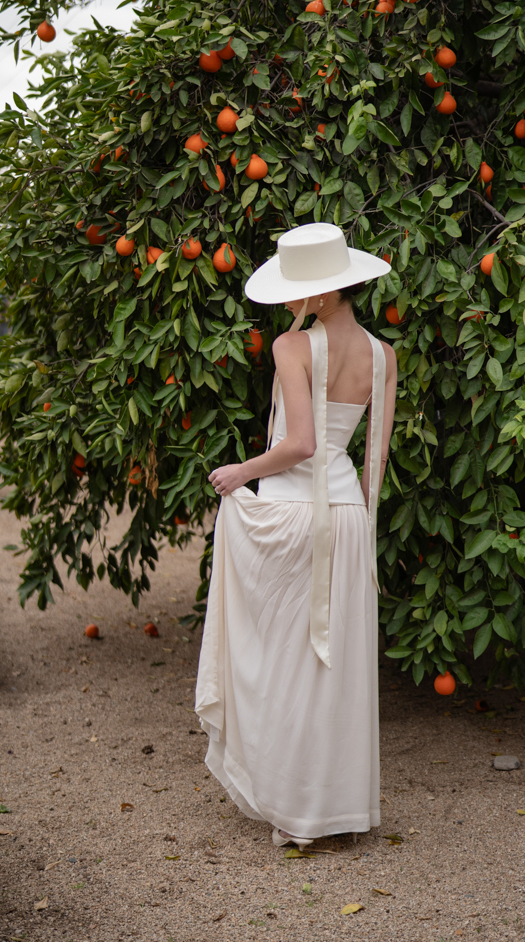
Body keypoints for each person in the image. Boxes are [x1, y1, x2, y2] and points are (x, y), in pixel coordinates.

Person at [195, 222, 397, 850]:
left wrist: (239, 474)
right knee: (334, 669)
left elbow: (302, 443)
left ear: (323, 293)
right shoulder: (383, 354)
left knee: (280, 662)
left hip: (294, 514)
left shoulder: (293, 346)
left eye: (293, 291)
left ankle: (293, 810)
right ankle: (338, 811)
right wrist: (360, 523)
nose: (285, 302)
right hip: (348, 517)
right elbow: (374, 461)